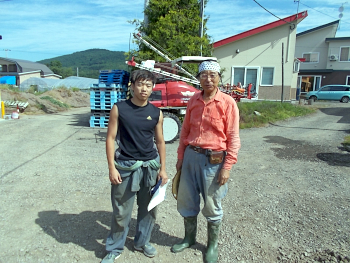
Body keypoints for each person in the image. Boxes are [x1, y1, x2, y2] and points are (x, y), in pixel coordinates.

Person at [171, 60, 241, 263]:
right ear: (199, 78)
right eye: (204, 75)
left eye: (213, 75)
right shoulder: (193, 100)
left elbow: (233, 137)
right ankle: (189, 238)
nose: (208, 79)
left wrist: (227, 167)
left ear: (219, 78)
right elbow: (185, 131)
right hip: (191, 157)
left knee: (212, 204)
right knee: (187, 200)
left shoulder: (228, 103)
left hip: (214, 161)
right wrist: (180, 158)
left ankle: (211, 246)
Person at [102, 69, 168, 263]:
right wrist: (112, 168)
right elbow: (110, 138)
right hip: (125, 166)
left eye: (148, 85)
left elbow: (161, 142)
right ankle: (114, 248)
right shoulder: (119, 108)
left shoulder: (156, 113)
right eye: (139, 84)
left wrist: (163, 169)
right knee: (121, 211)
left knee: (149, 208)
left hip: (150, 166)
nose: (143, 89)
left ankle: (142, 242)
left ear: (153, 88)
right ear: (131, 86)